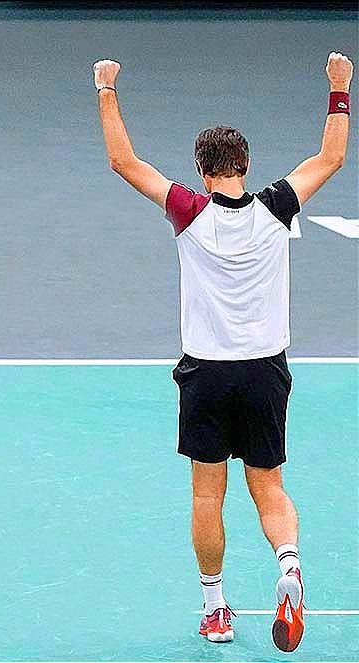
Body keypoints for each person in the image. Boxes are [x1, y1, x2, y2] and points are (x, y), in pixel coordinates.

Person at [92, 53, 352, 651]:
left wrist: (106, 90)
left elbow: (122, 161)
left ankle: (216, 609)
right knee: (271, 488)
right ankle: (289, 567)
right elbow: (331, 158)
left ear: (202, 169)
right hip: (265, 372)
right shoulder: (276, 206)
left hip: (206, 375)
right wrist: (339, 88)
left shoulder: (188, 211)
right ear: (247, 166)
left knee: (209, 495)